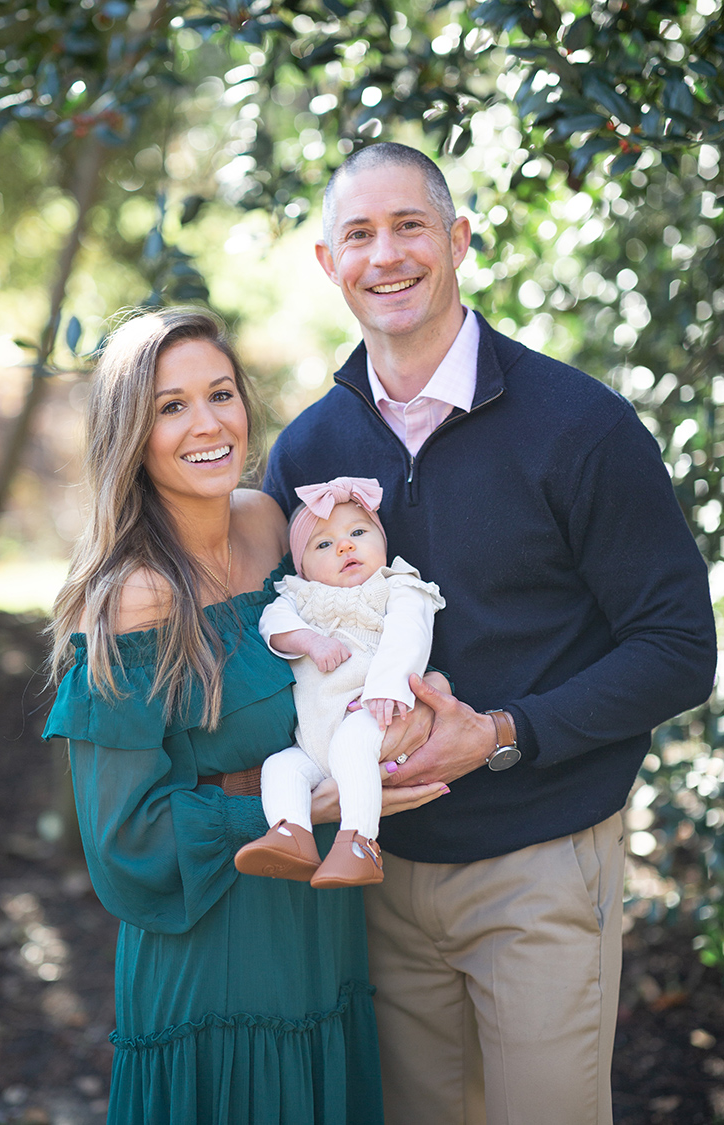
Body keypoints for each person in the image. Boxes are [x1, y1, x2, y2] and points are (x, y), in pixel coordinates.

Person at [263, 142, 718, 1125]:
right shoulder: (307, 451)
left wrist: (503, 732)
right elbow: (265, 633)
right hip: (377, 870)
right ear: (327, 263)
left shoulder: (581, 427)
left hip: (539, 860)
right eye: (359, 234)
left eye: (410, 226)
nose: (386, 256)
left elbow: (681, 647)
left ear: (460, 240)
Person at [43, 307, 448, 1125]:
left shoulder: (269, 525)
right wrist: (312, 805)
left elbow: (341, 652)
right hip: (212, 940)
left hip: (319, 924)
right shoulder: (134, 597)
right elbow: (126, 842)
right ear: (132, 434)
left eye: (220, 393)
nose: (208, 422)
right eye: (171, 405)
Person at [235, 475, 445, 888]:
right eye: (324, 544)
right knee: (282, 767)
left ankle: (361, 842)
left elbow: (409, 635)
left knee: (352, 748)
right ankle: (291, 833)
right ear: (303, 566)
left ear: (382, 542)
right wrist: (309, 640)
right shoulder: (299, 596)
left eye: (358, 532)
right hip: (314, 737)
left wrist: (387, 688)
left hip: (374, 712)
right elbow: (272, 623)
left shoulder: (397, 586)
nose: (345, 546)